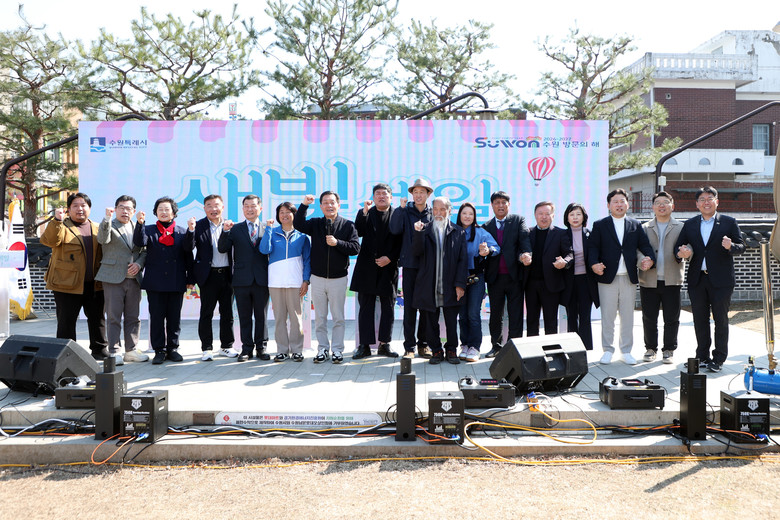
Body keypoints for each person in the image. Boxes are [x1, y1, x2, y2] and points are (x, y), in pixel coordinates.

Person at [675, 186, 745, 372]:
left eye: (710, 198)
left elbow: (742, 247)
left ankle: (719, 358)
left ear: (717, 202)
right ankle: (702, 356)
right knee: (700, 319)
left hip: (721, 281)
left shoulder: (729, 222)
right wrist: (681, 253)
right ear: (697, 204)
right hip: (697, 279)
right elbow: (678, 248)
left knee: (720, 319)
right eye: (702, 199)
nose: (706, 202)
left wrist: (731, 246)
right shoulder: (689, 224)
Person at [588, 188, 655, 365]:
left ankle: (626, 351)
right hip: (607, 277)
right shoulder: (600, 225)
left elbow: (645, 245)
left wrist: (650, 258)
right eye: (615, 202)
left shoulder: (635, 224)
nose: (619, 205)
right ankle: (607, 350)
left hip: (628, 277)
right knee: (608, 316)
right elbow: (592, 247)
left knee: (627, 317)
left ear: (628, 204)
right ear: (608, 205)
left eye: (622, 201)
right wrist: (594, 264)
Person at [294, 191, 360, 364]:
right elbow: (298, 224)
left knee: (338, 317)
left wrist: (338, 243)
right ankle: (322, 348)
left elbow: (355, 248)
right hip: (317, 278)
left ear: (338, 205)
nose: (329, 206)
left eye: (332, 202)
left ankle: (337, 349)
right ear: (321, 206)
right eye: (325, 203)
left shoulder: (348, 225)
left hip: (338, 279)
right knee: (320, 317)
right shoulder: (315, 223)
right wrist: (304, 205)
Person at [41, 192, 108, 360]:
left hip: (94, 284)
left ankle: (99, 350)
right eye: (75, 206)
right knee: (66, 321)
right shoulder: (61, 226)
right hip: (66, 284)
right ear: (68, 209)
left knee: (98, 319)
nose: (80, 209)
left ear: (89, 208)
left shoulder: (97, 228)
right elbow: (50, 241)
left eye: (83, 205)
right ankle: (66, 355)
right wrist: (56, 221)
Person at [134, 196, 194, 365]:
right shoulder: (149, 230)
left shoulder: (182, 231)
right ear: (155, 212)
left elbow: (189, 252)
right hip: (155, 282)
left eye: (167, 209)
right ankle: (159, 350)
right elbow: (139, 242)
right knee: (157, 318)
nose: (164, 212)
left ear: (174, 213)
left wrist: (191, 231)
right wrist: (140, 224)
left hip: (176, 281)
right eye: (160, 209)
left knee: (174, 318)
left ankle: (173, 348)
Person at [412, 196, 468, 365]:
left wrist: (460, 285)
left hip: (450, 285)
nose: (438, 213)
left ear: (449, 211)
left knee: (451, 321)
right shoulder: (424, 229)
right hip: (429, 284)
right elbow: (416, 252)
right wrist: (418, 234)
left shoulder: (458, 232)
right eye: (435, 209)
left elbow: (462, 261)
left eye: (442, 209)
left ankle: (451, 349)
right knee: (430, 321)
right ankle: (436, 349)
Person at [351, 183, 402, 360]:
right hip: (367, 268)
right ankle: (364, 345)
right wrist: (364, 212)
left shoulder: (398, 215)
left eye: (384, 194)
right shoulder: (366, 213)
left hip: (388, 268)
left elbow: (403, 241)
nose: (381, 196)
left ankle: (384, 344)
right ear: (373, 198)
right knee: (366, 307)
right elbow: (358, 231)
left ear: (391, 197)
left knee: (388, 307)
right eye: (378, 194)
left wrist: (391, 258)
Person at [95, 195, 148, 365]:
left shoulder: (138, 226)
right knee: (113, 316)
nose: (125, 211)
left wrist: (139, 264)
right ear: (116, 209)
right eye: (122, 208)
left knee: (133, 316)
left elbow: (144, 251)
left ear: (134, 211)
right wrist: (107, 219)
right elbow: (102, 239)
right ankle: (114, 351)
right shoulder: (109, 224)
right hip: (113, 278)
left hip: (134, 278)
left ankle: (131, 350)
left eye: (129, 208)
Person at [217, 194, 270, 362]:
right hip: (241, 280)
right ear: (242, 209)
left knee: (261, 316)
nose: (250, 209)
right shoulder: (235, 228)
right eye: (246, 206)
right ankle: (246, 348)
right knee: (244, 316)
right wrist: (225, 231)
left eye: (253, 206)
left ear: (260, 208)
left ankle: (261, 347)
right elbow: (222, 248)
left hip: (261, 279)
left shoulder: (267, 228)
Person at [259, 202, 311, 362]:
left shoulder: (302, 236)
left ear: (294, 214)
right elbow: (264, 250)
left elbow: (307, 260)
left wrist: (306, 280)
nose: (285, 215)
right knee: (279, 318)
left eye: (288, 212)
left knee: (296, 318)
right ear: (278, 215)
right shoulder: (272, 232)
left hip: (296, 283)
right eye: (281, 212)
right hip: (275, 283)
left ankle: (297, 350)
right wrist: (268, 229)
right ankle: (282, 350)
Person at [482, 191, 531, 357]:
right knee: (496, 314)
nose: (500, 205)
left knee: (516, 313)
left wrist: (527, 254)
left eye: (504, 202)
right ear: (492, 205)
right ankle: (496, 346)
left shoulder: (518, 220)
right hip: (495, 277)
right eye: (497, 202)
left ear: (509, 204)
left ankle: (514, 347)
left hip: (514, 276)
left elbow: (524, 241)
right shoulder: (486, 226)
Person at [637, 191, 684, 365]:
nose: (662, 205)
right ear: (653, 207)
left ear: (673, 206)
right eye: (658, 202)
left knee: (672, 318)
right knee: (649, 317)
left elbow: (689, 247)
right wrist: (642, 261)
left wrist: (686, 252)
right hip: (649, 279)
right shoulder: (644, 227)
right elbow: (637, 250)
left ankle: (669, 350)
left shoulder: (681, 227)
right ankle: (650, 349)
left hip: (672, 279)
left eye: (665, 202)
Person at [389, 178, 433, 359]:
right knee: (409, 308)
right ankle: (409, 347)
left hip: (428, 267)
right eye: (415, 192)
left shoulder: (433, 213)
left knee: (426, 308)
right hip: (409, 266)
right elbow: (394, 229)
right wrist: (400, 209)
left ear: (428, 194)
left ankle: (424, 345)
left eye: (422, 192)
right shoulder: (405, 211)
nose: (418, 195)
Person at [189, 194, 236, 362]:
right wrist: (191, 230)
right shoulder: (199, 226)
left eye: (216, 205)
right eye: (209, 205)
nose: (213, 209)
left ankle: (227, 346)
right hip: (208, 276)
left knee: (227, 313)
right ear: (204, 208)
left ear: (222, 207)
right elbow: (188, 247)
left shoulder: (230, 226)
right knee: (206, 313)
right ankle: (206, 348)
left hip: (227, 275)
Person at [520, 201, 573, 336]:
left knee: (551, 321)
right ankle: (533, 348)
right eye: (540, 214)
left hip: (551, 284)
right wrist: (522, 257)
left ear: (553, 216)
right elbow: (519, 251)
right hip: (530, 284)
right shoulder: (527, 233)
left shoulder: (561, 233)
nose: (544, 217)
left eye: (547, 214)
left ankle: (551, 348)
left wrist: (564, 262)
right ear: (535, 215)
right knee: (531, 321)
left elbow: (570, 254)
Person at [455, 202, 499, 362]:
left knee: (473, 314)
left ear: (474, 216)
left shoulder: (481, 232)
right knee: (462, 315)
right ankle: (465, 345)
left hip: (476, 278)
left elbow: (496, 248)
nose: (467, 216)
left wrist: (488, 251)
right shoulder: (454, 231)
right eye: (464, 213)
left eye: (470, 214)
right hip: (458, 279)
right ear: (459, 215)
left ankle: (475, 347)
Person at [562, 203, 600, 351]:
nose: (575, 217)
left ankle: (586, 348)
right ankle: (573, 348)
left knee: (585, 316)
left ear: (584, 217)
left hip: (586, 280)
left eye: (578, 214)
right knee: (571, 315)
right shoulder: (562, 235)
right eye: (572, 214)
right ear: (567, 218)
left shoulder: (590, 234)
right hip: (569, 280)